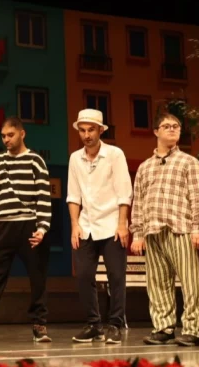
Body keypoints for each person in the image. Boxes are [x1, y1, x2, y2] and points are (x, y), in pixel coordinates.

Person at [0, 116, 52, 343]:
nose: (6, 139)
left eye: (10, 135)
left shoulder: (35, 161)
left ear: (22, 134)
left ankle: (39, 324)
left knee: (37, 275)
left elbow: (43, 196)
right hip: (2, 225)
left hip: (29, 224)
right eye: (3, 136)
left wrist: (42, 228)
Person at [130, 113, 199, 347]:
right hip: (153, 230)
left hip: (181, 228)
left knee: (191, 281)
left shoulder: (189, 162)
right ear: (156, 131)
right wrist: (138, 233)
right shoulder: (145, 166)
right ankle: (163, 327)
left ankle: (194, 329)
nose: (172, 129)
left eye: (176, 126)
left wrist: (198, 228)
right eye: (167, 126)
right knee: (158, 283)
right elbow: (138, 201)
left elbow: (198, 197)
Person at [67, 108, 132, 344]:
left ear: (101, 130)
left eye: (91, 130)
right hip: (87, 225)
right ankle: (94, 324)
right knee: (84, 275)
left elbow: (124, 192)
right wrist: (74, 225)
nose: (87, 135)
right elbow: (73, 195)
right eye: (83, 130)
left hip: (112, 223)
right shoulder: (75, 158)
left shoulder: (114, 154)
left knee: (116, 276)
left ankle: (115, 324)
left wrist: (122, 223)